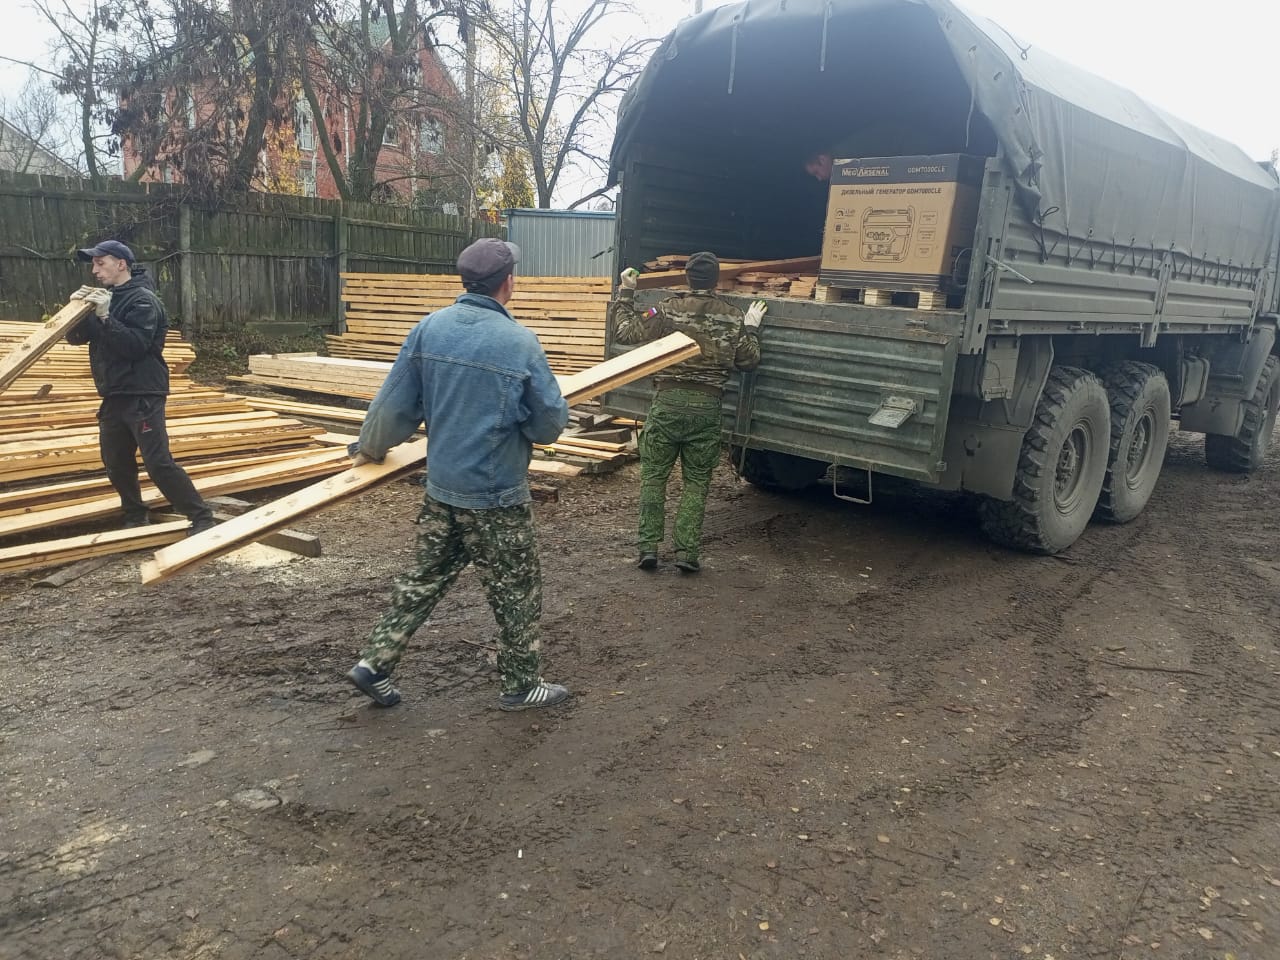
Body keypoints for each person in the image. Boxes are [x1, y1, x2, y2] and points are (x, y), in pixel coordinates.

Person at [345, 237, 571, 712]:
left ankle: (375, 664)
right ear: (508, 282)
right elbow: (550, 423)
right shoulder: (519, 342)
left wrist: (369, 447)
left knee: (423, 579)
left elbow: (393, 406)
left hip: (443, 489)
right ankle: (521, 684)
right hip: (497, 497)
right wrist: (521, 426)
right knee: (517, 588)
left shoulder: (429, 330)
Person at [610, 251, 763, 573]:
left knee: (653, 478)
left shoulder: (664, 309)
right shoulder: (732, 315)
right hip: (706, 408)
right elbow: (749, 362)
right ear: (717, 280)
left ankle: (648, 548)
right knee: (696, 483)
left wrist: (626, 290)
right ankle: (686, 553)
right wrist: (750, 328)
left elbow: (626, 332)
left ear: (687, 278)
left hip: (667, 403)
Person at [67, 240, 215, 534]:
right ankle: (135, 515)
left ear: (121, 264)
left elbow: (135, 346)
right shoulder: (103, 298)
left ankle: (201, 517)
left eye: (101, 263)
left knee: (157, 462)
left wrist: (106, 317)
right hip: (114, 393)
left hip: (143, 393)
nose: (94, 270)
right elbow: (75, 338)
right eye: (93, 264)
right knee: (116, 461)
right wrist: (76, 310)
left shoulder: (143, 300)